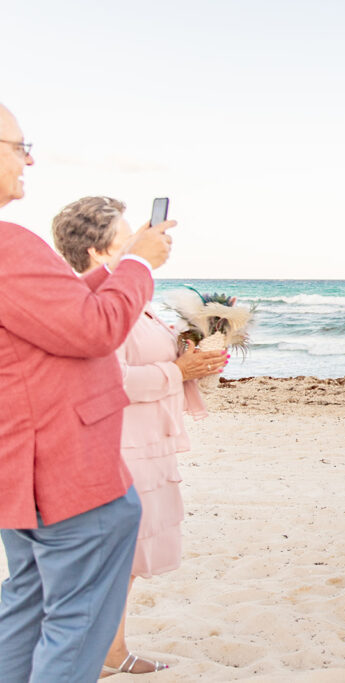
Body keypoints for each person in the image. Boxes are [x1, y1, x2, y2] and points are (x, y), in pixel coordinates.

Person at [0, 103, 174, 682]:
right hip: (64, 470)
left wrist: (114, 269)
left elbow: (51, 310)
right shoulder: (8, 245)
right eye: (19, 146)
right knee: (74, 622)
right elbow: (92, 328)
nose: (29, 158)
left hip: (24, 474)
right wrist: (139, 266)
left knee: (29, 602)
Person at [51, 196, 227, 675]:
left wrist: (195, 360)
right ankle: (96, 654)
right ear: (98, 250)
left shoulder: (131, 300)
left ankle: (110, 649)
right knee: (111, 557)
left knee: (124, 558)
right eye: (127, 236)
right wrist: (177, 368)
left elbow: (154, 362)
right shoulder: (98, 304)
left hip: (147, 441)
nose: (143, 241)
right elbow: (113, 381)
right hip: (121, 445)